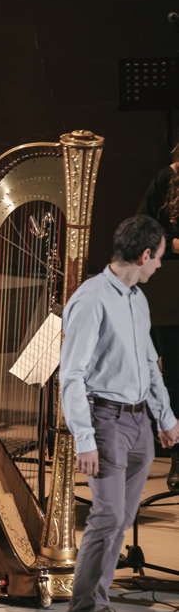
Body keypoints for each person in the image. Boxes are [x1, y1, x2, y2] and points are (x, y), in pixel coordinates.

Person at [60, 215, 179, 612]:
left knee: (123, 517)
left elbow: (149, 362)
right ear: (144, 255)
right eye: (159, 258)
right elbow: (71, 375)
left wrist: (164, 416)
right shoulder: (92, 299)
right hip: (106, 422)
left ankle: (99, 605)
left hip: (139, 425)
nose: (160, 266)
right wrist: (85, 439)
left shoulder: (136, 297)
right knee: (107, 517)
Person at [138, 157, 179, 491]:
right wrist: (175, 244)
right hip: (172, 292)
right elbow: (144, 229)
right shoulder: (167, 178)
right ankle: (178, 456)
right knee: (175, 374)